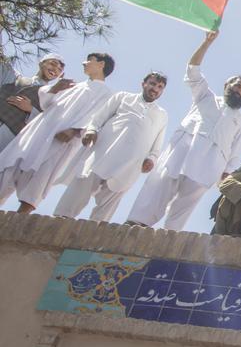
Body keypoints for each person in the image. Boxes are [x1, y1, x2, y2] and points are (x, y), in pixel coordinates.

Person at [126, 31, 241, 230]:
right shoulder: (206, 97)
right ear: (227, 85)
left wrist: (227, 173)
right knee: (158, 189)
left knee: (185, 205)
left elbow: (235, 149)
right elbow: (192, 70)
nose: (240, 91)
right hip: (181, 153)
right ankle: (136, 224)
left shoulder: (239, 121)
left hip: (209, 165)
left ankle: (169, 236)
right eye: (237, 86)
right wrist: (206, 43)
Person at [0, 53, 114, 213]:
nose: (84, 62)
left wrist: (74, 130)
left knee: (39, 181)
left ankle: (15, 222)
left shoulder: (106, 94)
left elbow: (98, 117)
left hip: (60, 141)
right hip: (39, 132)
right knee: (10, 169)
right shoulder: (74, 85)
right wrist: (55, 88)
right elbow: (46, 103)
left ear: (101, 64)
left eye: (89, 60)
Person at [53, 72, 168, 221]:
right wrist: (92, 130)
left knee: (107, 207)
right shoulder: (123, 97)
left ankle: (92, 239)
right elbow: (98, 118)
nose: (155, 89)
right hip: (104, 153)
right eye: (152, 84)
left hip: (130, 164)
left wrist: (152, 158)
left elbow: (158, 141)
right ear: (143, 84)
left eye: (160, 87)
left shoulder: (161, 114)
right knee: (80, 188)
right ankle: (60, 220)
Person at [0, 53, 65, 151]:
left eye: (60, 69)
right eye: (53, 64)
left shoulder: (50, 99)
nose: (56, 69)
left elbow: (48, 123)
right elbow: (4, 63)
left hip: (9, 137)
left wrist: (30, 109)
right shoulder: (17, 79)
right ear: (41, 64)